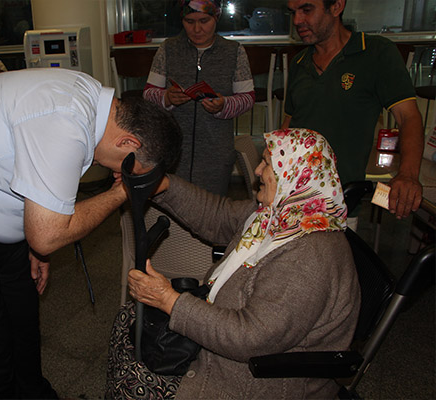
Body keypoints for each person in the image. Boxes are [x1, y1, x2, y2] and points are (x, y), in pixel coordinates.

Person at [0, 68, 182, 399]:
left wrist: (37, 245)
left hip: (4, 224)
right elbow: (47, 234)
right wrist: (122, 194)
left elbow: (38, 184)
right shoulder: (65, 121)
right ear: (128, 142)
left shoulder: (94, 103)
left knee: (24, 333)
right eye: (130, 170)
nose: (121, 175)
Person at [107, 128, 361, 399]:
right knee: (128, 319)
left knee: (135, 381)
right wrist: (163, 184)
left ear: (294, 175)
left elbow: (251, 338)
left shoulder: (309, 255)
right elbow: (218, 216)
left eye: (267, 164)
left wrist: (169, 300)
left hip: (261, 377)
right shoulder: (279, 215)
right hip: (233, 340)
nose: (257, 171)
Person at [282, 0, 424, 220]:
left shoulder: (376, 53)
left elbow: (408, 117)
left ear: (336, 6)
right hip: (292, 199)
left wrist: (408, 175)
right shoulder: (299, 63)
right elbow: (289, 124)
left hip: (340, 203)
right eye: (293, 12)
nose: (297, 20)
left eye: (306, 10)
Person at [143, 0, 254, 196]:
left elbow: (247, 98)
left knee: (212, 209)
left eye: (204, 21)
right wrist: (167, 98)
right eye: (189, 21)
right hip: (174, 152)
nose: (196, 29)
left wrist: (223, 105)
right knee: (173, 206)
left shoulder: (234, 51)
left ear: (216, 18)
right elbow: (149, 94)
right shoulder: (167, 49)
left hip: (216, 152)